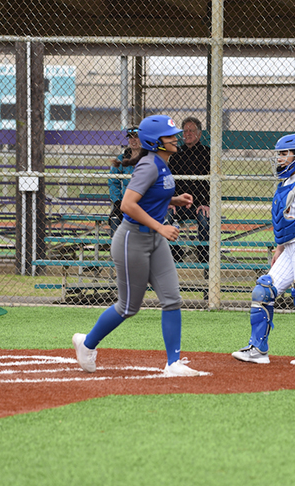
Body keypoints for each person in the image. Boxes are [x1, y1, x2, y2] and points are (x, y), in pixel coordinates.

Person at [73, 114, 203, 377]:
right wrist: (161, 226)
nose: (176, 138)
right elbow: (127, 204)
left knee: (172, 299)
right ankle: (86, 344)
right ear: (156, 142)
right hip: (132, 239)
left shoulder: (162, 163)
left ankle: (173, 363)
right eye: (169, 136)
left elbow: (151, 197)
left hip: (153, 240)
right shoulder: (149, 165)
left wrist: (175, 200)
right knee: (128, 307)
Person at [232, 133, 295, 366]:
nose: (280, 158)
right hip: (290, 247)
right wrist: (279, 249)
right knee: (263, 291)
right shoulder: (286, 182)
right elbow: (286, 220)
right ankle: (257, 349)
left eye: (285, 153)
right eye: (280, 154)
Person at [167, 116, 211, 263]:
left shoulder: (208, 154)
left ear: (199, 134)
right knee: (165, 216)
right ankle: (175, 254)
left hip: (200, 204)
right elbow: (169, 181)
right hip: (179, 203)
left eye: (192, 130)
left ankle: (206, 264)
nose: (188, 134)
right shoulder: (176, 154)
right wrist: (171, 200)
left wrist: (206, 203)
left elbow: (211, 184)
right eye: (185, 131)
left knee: (204, 220)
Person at [107, 127, 140, 236]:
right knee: (115, 217)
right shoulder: (122, 159)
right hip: (126, 202)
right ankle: (116, 250)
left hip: (144, 202)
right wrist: (117, 201)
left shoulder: (148, 158)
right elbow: (113, 181)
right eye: (131, 138)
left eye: (136, 137)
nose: (133, 140)